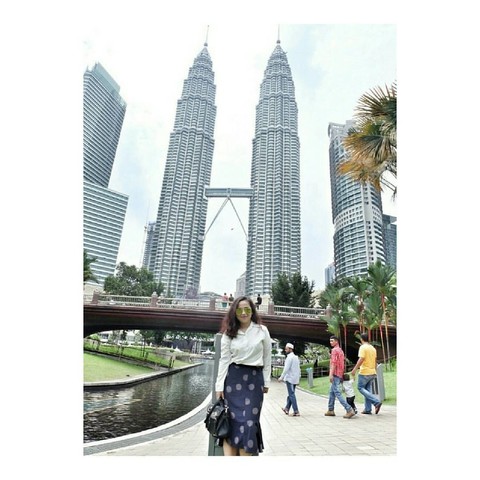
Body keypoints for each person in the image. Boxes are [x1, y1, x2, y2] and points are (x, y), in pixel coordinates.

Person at [215, 296, 272, 456]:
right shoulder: (229, 333)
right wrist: (219, 386)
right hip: (233, 380)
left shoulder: (262, 331)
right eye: (239, 310)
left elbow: (267, 357)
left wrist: (266, 381)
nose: (244, 313)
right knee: (231, 422)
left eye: (247, 309)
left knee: (249, 423)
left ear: (252, 311)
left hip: (254, 380)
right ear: (234, 312)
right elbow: (224, 360)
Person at [351, 332, 382, 414]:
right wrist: (375, 371)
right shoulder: (372, 348)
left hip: (364, 372)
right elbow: (375, 360)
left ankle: (376, 402)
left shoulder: (362, 347)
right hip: (372, 372)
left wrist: (355, 369)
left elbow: (361, 359)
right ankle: (368, 409)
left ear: (361, 339)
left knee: (360, 388)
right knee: (367, 390)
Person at [325, 335, 355, 418]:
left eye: (332, 341)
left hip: (335, 374)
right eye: (330, 341)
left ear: (336, 341)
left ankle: (349, 409)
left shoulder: (334, 350)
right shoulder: (341, 351)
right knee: (332, 392)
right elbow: (342, 363)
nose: (331, 342)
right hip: (339, 373)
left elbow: (333, 363)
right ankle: (330, 409)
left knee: (337, 393)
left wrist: (331, 374)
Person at [278, 342, 301, 416]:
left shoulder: (289, 358)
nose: (285, 350)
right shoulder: (296, 357)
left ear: (290, 349)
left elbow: (286, 369)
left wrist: (281, 377)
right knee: (291, 394)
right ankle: (287, 408)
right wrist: (299, 378)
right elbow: (298, 369)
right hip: (294, 378)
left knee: (291, 395)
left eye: (286, 349)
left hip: (289, 378)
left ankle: (296, 411)